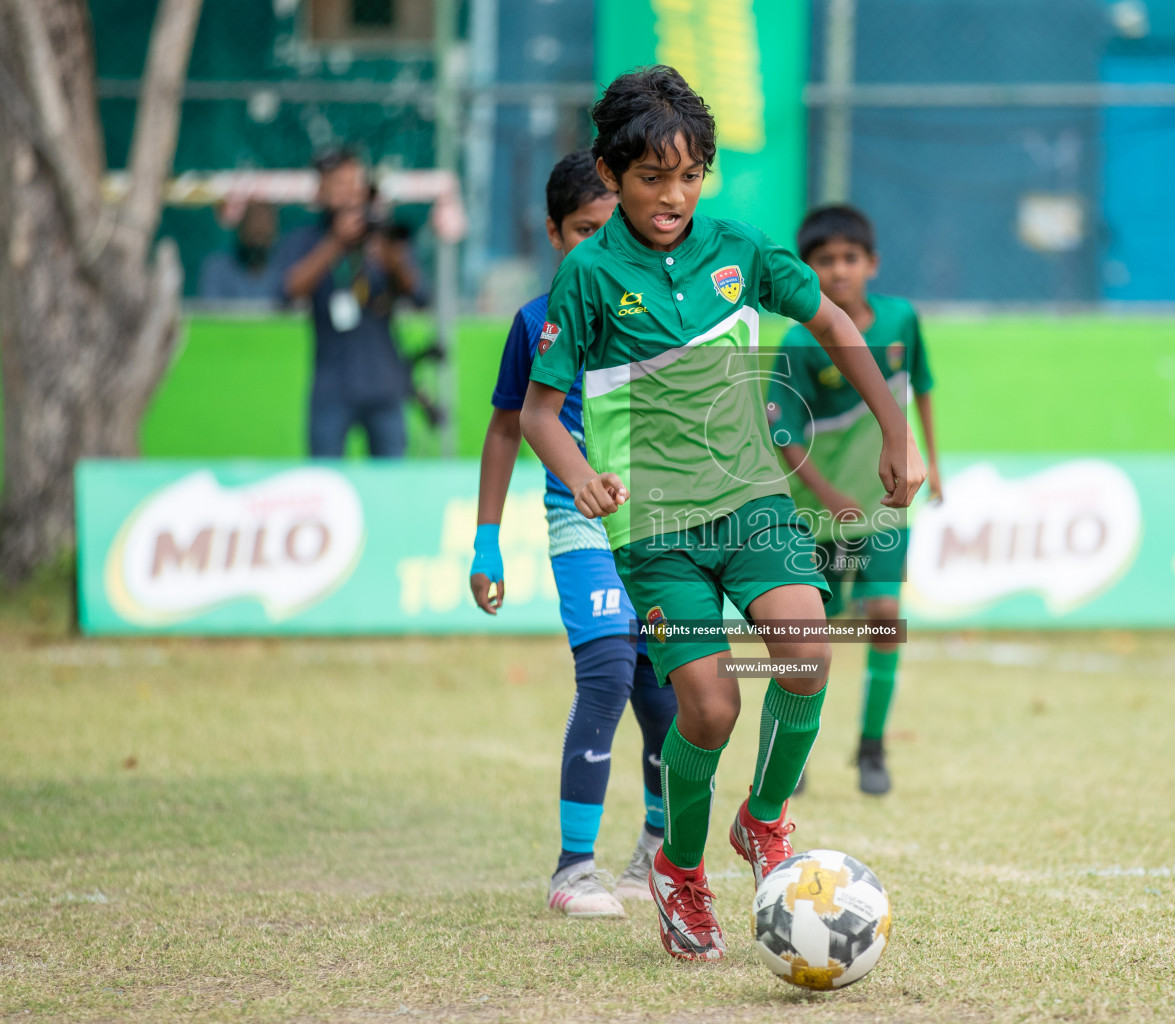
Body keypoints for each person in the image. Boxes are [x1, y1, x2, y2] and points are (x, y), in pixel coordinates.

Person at [518, 66, 925, 961]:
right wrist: (580, 473)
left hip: (752, 506)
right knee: (708, 709)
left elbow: (833, 322)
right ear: (612, 174)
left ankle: (764, 819)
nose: (672, 197)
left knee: (810, 653)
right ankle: (683, 871)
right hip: (655, 530)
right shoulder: (588, 277)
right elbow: (540, 414)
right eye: (650, 179)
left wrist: (895, 426)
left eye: (688, 176)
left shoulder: (738, 249)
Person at [468, 150, 677, 919]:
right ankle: (573, 870)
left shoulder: (651, 306)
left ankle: (656, 849)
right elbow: (503, 431)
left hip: (661, 524)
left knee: (665, 694)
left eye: (610, 227)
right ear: (554, 234)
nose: (598, 244)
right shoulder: (533, 322)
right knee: (607, 675)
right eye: (583, 229)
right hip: (578, 516)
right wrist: (486, 539)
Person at [766, 205, 942, 796]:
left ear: (872, 263)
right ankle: (796, 749)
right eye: (825, 261)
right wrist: (828, 494)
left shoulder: (901, 320)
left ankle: (872, 747)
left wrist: (930, 462)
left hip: (885, 506)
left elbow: (922, 388)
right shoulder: (800, 340)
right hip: (816, 517)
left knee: (886, 617)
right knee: (809, 637)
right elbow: (782, 431)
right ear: (808, 270)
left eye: (849, 259)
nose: (838, 271)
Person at [273, 147, 427, 458]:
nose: (348, 194)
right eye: (338, 185)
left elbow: (420, 295)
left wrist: (392, 260)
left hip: (383, 384)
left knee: (390, 483)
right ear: (321, 192)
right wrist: (335, 243)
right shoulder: (308, 240)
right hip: (332, 386)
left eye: (353, 184)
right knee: (326, 482)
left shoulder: (382, 237)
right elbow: (285, 294)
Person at [198, 200, 281, 302]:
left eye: (262, 234)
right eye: (251, 218)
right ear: (241, 227)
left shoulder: (285, 269)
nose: (258, 224)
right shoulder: (216, 268)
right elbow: (210, 312)